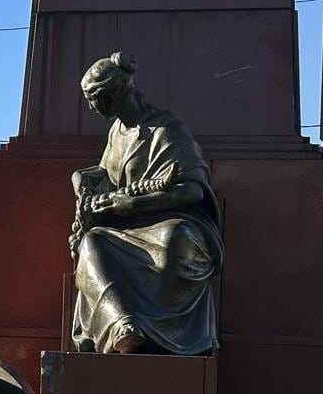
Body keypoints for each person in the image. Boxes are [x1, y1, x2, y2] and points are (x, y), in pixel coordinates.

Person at [70, 51, 223, 355]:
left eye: (93, 99)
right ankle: (123, 325)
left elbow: (193, 190)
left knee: (174, 238)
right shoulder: (117, 133)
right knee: (92, 244)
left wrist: (135, 206)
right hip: (124, 228)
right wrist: (81, 179)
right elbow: (107, 173)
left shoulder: (167, 129)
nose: (90, 107)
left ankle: (167, 332)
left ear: (111, 96)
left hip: (171, 220)